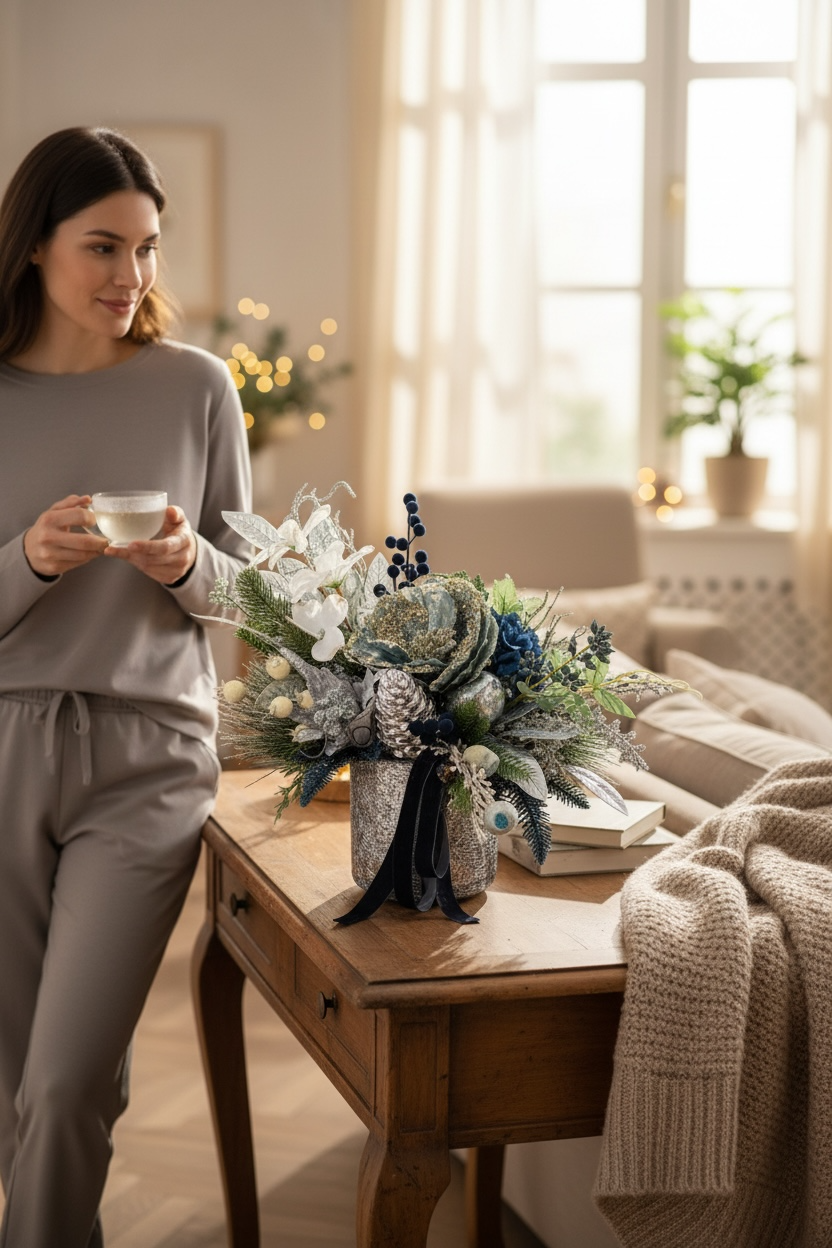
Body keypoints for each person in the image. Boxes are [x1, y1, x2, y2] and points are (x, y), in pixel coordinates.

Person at [0, 127, 252, 1248]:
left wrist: (188, 561)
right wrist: (29, 560)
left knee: (62, 1085)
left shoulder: (196, 385)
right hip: (2, 748)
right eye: (104, 247)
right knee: (17, 1088)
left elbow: (256, 597)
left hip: (146, 764)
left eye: (146, 249)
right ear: (34, 246)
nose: (132, 278)